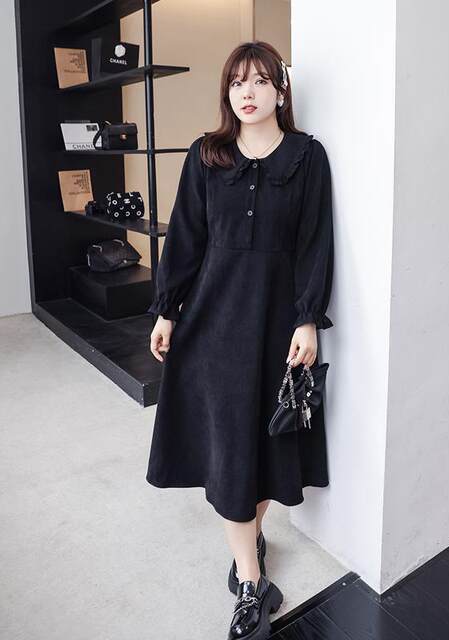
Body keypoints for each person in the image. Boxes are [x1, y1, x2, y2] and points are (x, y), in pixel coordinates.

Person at [147, 40, 334, 640]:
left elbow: (314, 244)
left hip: (278, 325)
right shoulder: (207, 155)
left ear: (280, 89)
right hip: (215, 325)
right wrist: (167, 310)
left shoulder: (307, 157)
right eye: (236, 82)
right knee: (229, 453)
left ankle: (247, 544)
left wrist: (307, 319)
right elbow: (185, 237)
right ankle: (251, 584)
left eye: (258, 81)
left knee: (267, 446)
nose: (246, 93)